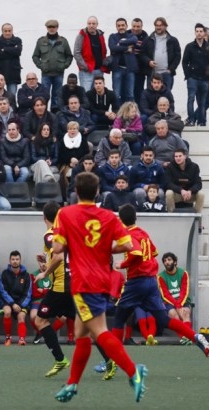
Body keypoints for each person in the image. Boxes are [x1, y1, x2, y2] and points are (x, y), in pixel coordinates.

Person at [39, 172, 146, 404]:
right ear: (98, 192)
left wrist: (71, 244)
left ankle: (133, 371)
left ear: (76, 191)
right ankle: (72, 384)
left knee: (99, 331)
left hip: (83, 282)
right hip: (101, 280)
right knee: (81, 333)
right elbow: (127, 244)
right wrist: (105, 249)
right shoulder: (108, 216)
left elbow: (57, 248)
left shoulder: (65, 214)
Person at [111, 205, 209, 369]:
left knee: (119, 318)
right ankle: (196, 337)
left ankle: (112, 361)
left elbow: (136, 253)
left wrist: (122, 263)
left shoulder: (128, 234)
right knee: (163, 319)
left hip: (137, 282)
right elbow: (154, 253)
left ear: (120, 220)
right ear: (135, 218)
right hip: (151, 281)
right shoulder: (143, 233)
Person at [33, 201, 75, 377]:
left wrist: (44, 273)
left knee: (40, 320)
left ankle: (60, 359)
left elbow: (59, 256)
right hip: (72, 285)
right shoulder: (66, 233)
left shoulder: (50, 234)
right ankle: (110, 361)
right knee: (88, 326)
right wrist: (45, 266)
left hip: (61, 288)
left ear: (44, 218)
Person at [32, 20, 72, 111]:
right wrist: (41, 66)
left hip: (59, 73)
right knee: (44, 96)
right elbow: (35, 56)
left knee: (57, 96)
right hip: (46, 74)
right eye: (50, 27)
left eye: (53, 27)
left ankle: (55, 115)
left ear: (57, 28)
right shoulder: (41, 41)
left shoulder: (63, 41)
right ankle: (44, 114)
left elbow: (69, 56)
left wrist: (64, 66)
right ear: (47, 28)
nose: (51, 29)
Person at [157, 252, 194, 343]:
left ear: (175, 262)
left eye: (169, 260)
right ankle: (185, 338)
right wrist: (176, 305)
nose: (167, 262)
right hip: (168, 302)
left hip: (183, 300)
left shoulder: (183, 273)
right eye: (165, 261)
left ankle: (188, 337)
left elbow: (184, 291)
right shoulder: (160, 276)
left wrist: (179, 304)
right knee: (175, 316)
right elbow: (165, 295)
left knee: (185, 313)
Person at [0, 250, 32, 346]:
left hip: (21, 303)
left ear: (20, 260)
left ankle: (21, 339)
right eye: (13, 259)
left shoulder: (26, 275)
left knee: (21, 316)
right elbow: (2, 291)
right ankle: (8, 337)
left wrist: (20, 305)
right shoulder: (3, 274)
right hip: (8, 302)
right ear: (9, 261)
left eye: (17, 259)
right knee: (7, 312)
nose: (15, 261)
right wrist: (12, 304)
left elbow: (28, 293)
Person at [141, 17, 181, 90]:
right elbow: (142, 54)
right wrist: (148, 61)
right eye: (156, 25)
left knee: (166, 98)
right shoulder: (148, 40)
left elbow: (177, 56)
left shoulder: (173, 40)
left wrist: (171, 69)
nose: (158, 27)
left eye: (161, 25)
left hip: (166, 74)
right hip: (152, 73)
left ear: (166, 26)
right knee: (151, 97)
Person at [182, 24, 209, 126]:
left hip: (204, 78)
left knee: (202, 101)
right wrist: (188, 75)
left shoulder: (208, 47)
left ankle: (202, 121)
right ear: (195, 32)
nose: (199, 33)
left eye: (201, 31)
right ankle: (191, 119)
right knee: (191, 98)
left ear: (204, 33)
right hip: (192, 78)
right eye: (197, 31)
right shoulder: (189, 46)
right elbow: (184, 62)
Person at [108, 18, 138, 105]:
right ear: (116, 27)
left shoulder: (131, 36)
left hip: (130, 70)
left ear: (126, 26)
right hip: (117, 69)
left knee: (130, 94)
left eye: (122, 25)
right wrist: (126, 48)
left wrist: (120, 42)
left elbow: (134, 40)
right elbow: (113, 47)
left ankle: (130, 115)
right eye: (118, 25)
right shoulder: (112, 36)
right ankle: (117, 114)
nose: (121, 27)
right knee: (116, 94)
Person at [165, 148, 204, 213]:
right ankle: (171, 215)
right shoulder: (170, 167)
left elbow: (198, 184)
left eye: (180, 156)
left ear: (185, 156)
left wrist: (190, 191)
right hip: (177, 194)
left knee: (201, 194)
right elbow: (168, 183)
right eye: (176, 156)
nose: (178, 158)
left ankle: (197, 216)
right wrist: (181, 190)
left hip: (190, 194)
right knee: (169, 193)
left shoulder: (194, 166)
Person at [74, 16, 106, 91]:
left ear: (97, 24)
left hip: (99, 70)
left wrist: (104, 63)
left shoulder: (100, 35)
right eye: (89, 23)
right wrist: (85, 66)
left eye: (93, 23)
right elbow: (76, 53)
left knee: (97, 93)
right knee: (86, 93)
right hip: (86, 71)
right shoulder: (81, 35)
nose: (91, 25)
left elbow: (104, 51)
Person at [128, 18, 149, 104]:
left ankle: (138, 112)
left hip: (140, 70)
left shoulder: (146, 38)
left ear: (142, 26)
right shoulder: (126, 35)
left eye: (138, 26)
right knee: (127, 92)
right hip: (128, 69)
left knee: (138, 91)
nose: (136, 28)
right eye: (134, 26)